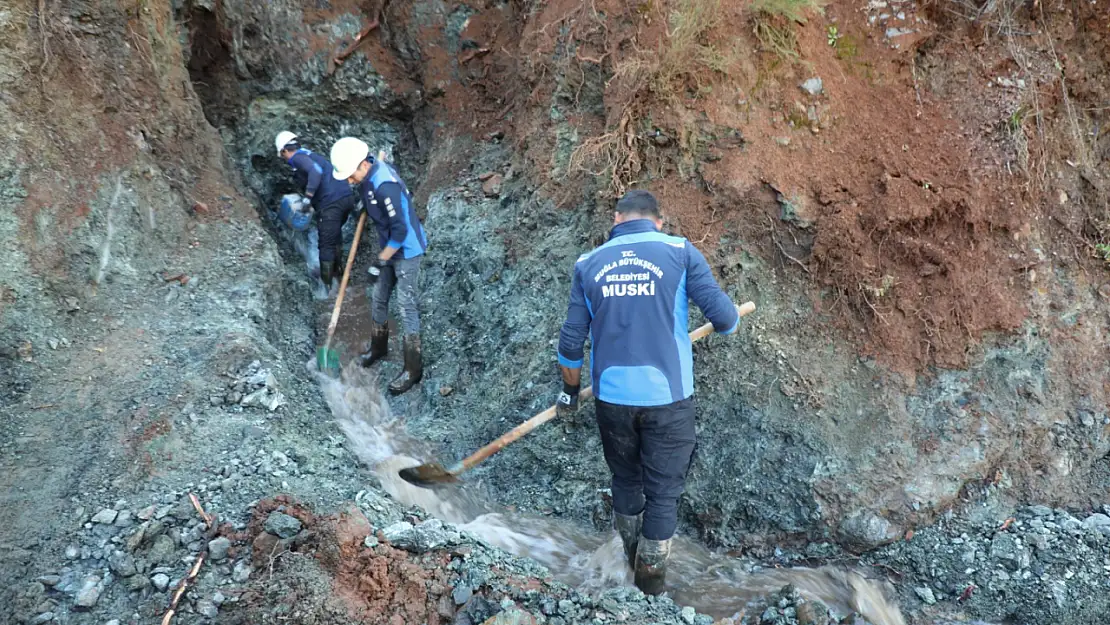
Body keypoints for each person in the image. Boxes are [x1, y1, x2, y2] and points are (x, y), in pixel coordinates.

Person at [555, 189, 739, 596]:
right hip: (667, 400)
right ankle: (650, 584)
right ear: (658, 221)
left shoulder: (588, 264)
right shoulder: (680, 252)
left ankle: (630, 558)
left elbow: (570, 343)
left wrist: (569, 393)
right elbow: (725, 321)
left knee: (625, 478)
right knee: (663, 493)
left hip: (612, 401)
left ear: (616, 219)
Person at [330, 137, 428, 396]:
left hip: (405, 249)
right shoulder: (368, 176)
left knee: (406, 306)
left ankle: (413, 368)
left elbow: (400, 229)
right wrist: (365, 201)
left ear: (363, 165)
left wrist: (381, 260)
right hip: (389, 247)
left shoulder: (385, 185)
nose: (350, 181)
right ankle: (378, 347)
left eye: (351, 176)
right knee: (379, 298)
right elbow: (369, 192)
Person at [275, 131, 356, 288]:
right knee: (334, 237)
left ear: (285, 150)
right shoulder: (310, 154)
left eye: (282, 155)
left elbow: (315, 172)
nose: (284, 159)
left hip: (332, 204)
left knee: (325, 244)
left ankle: (326, 288)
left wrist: (307, 197)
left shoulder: (297, 157)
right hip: (346, 198)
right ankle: (338, 276)